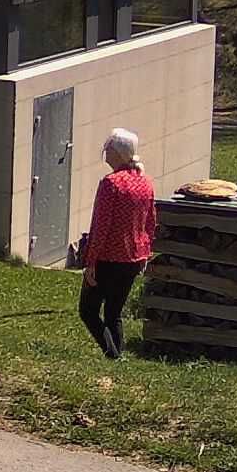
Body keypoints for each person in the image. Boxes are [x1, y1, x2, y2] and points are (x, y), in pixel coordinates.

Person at [77, 128, 156, 360]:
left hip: (108, 257)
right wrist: (146, 252)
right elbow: (151, 222)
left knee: (88, 310)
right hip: (133, 257)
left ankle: (112, 354)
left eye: (108, 148)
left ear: (118, 153)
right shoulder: (145, 183)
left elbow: (101, 226)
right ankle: (117, 356)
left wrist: (91, 261)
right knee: (114, 312)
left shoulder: (111, 183)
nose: (105, 153)